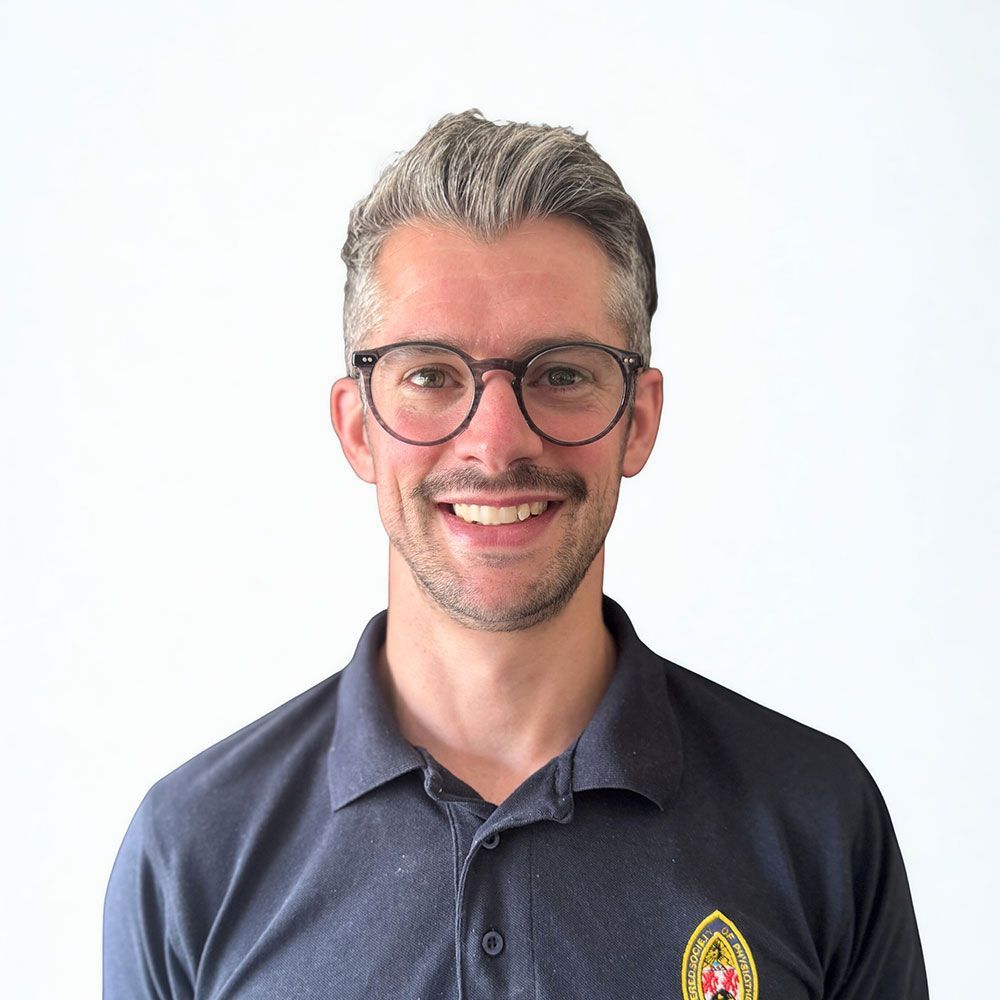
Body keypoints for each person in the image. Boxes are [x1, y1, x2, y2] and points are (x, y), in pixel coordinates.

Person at [104, 111, 928, 999]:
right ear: (356, 427)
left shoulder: (815, 822)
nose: (495, 445)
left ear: (638, 420)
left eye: (562, 372)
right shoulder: (194, 850)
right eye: (430, 375)